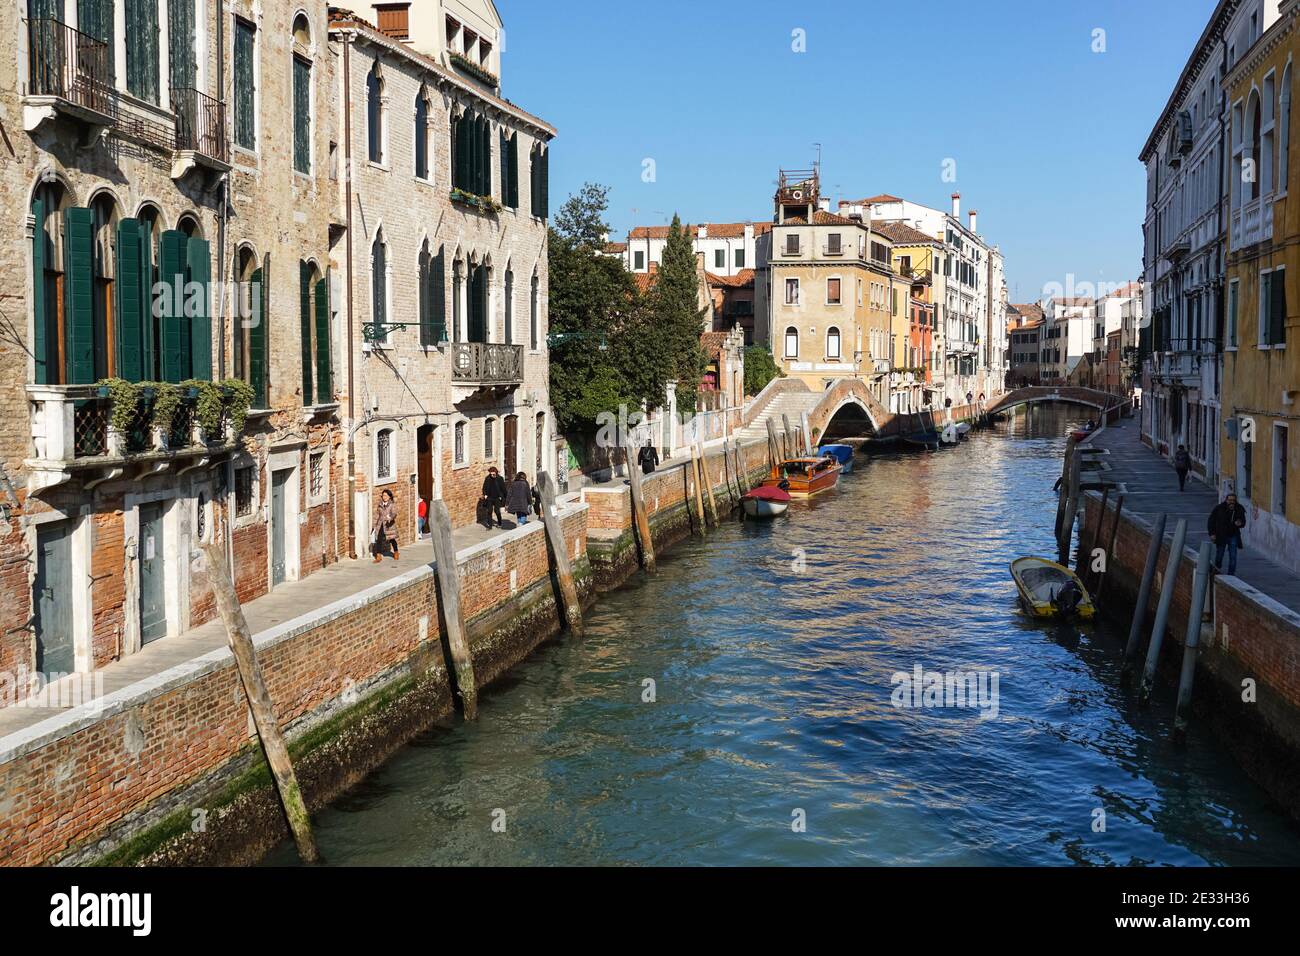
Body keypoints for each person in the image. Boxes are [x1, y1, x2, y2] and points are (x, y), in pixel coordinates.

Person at [1208, 492, 1247, 575]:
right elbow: (1211, 521)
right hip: (1221, 535)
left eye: (1233, 500)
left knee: (1233, 556)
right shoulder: (1219, 508)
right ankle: (1217, 569)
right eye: (1230, 500)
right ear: (1226, 500)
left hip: (1233, 535)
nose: (1231, 502)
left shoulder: (1239, 509)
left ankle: (1231, 574)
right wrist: (1212, 533)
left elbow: (1243, 521)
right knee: (1219, 555)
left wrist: (1240, 523)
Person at [371, 489, 399, 563]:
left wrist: (390, 518)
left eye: (386, 495)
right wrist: (374, 525)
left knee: (392, 539)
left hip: (389, 525)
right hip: (380, 525)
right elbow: (377, 515)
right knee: (379, 540)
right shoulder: (380, 505)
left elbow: (394, 513)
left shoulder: (392, 505)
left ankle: (396, 552)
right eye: (383, 495)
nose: (384, 497)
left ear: (389, 497)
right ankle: (378, 556)